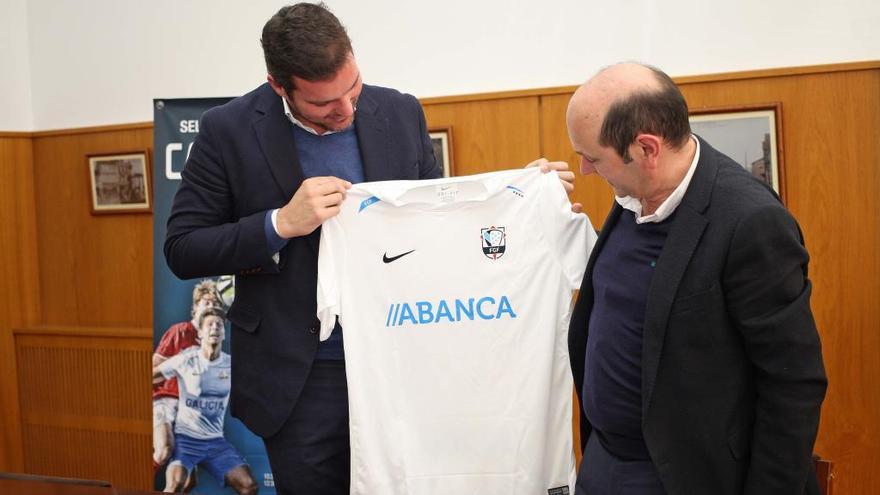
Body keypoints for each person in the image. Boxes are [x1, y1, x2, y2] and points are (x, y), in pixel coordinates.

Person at [165, 3, 576, 493]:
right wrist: (279, 224)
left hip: (404, 361)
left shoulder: (399, 111)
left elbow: (435, 222)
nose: (347, 110)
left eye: (353, 89)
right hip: (303, 379)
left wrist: (518, 194)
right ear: (280, 86)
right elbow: (184, 248)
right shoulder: (227, 130)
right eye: (324, 104)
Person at [565, 62, 827, 494]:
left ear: (647, 149)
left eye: (593, 157)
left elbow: (793, 382)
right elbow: (637, 293)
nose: (585, 169)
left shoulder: (750, 222)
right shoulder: (634, 193)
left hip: (685, 476)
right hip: (603, 462)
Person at [153, 307, 258, 495]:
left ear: (224, 333)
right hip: (186, 441)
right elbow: (151, 376)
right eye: (210, 324)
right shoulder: (186, 359)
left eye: (219, 325)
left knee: (249, 486)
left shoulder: (232, 365)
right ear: (200, 333)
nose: (215, 328)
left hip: (215, 443)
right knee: (176, 485)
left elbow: (257, 384)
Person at [152, 279, 222, 476]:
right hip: (164, 400)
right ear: (195, 307)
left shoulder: (211, 342)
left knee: (186, 477)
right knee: (164, 450)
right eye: (207, 302)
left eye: (216, 304)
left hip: (191, 410)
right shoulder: (180, 331)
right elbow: (152, 372)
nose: (212, 307)